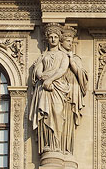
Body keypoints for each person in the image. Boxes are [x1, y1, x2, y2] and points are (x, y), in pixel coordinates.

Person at [28, 24, 88, 154]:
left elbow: (62, 69)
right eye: (51, 37)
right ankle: (49, 144)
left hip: (58, 88)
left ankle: (57, 145)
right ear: (47, 39)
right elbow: (38, 69)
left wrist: (50, 79)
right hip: (46, 88)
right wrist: (43, 77)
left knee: (58, 115)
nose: (53, 39)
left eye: (56, 37)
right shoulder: (43, 56)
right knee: (45, 115)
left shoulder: (64, 56)